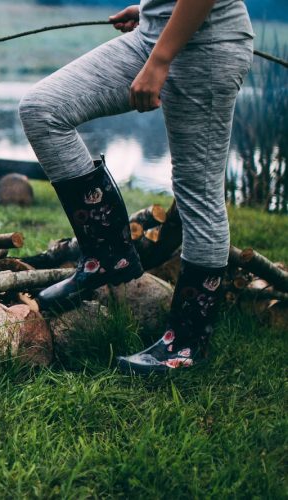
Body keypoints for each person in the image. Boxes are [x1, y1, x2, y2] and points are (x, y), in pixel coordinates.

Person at [18, 0, 253, 373]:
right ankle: (108, 256)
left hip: (206, 47)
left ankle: (186, 345)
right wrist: (155, 9)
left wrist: (160, 61)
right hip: (156, 34)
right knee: (43, 108)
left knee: (198, 192)